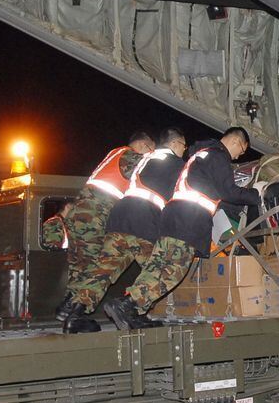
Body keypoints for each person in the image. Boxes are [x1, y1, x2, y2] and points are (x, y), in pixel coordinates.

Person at [103, 127, 261, 329]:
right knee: (174, 270)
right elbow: (228, 192)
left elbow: (214, 193)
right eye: (242, 149)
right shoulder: (218, 156)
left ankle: (132, 308)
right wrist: (258, 195)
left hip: (171, 218)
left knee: (158, 266)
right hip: (189, 220)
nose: (240, 154)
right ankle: (129, 303)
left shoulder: (199, 156)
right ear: (236, 141)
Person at [62, 128, 187, 333]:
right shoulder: (173, 163)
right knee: (161, 269)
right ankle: (131, 309)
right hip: (144, 220)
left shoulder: (142, 160)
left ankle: (75, 316)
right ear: (174, 144)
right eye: (183, 145)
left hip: (119, 219)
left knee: (102, 271)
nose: (185, 150)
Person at [55, 132, 156, 323]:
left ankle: (67, 308)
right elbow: (149, 175)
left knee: (81, 264)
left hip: (80, 213)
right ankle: (77, 314)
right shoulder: (131, 156)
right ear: (143, 145)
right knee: (94, 264)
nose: (150, 154)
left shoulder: (114, 154)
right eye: (150, 150)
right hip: (95, 215)